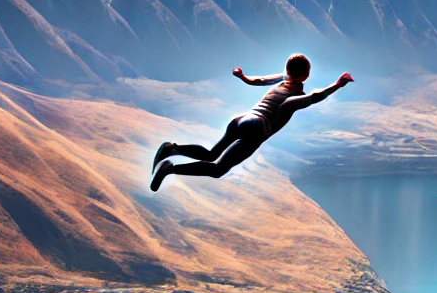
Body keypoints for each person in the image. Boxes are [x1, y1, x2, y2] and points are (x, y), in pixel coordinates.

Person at [149, 53, 353, 190]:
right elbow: (315, 97)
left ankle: (172, 149)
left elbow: (261, 80)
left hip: (240, 120)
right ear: (307, 74)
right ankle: (171, 169)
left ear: (287, 70)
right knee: (218, 169)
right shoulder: (292, 99)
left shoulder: (282, 79)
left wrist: (243, 77)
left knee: (212, 153)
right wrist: (337, 85)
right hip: (257, 127)